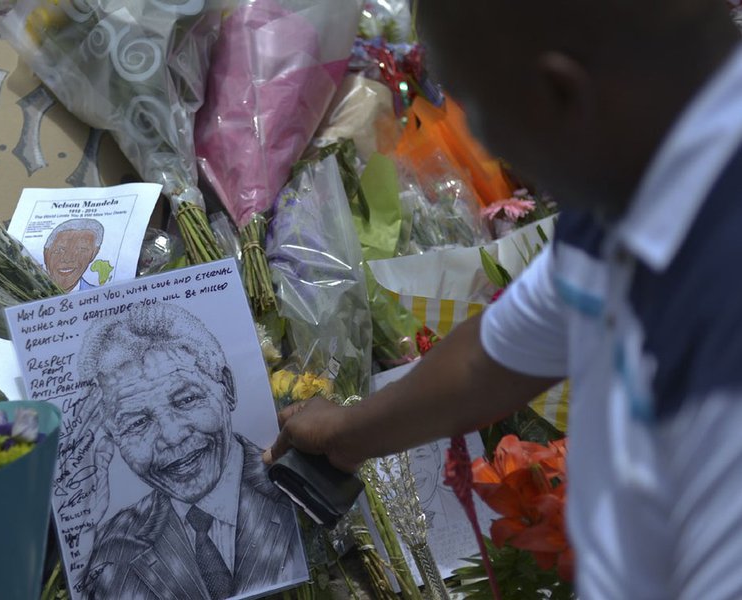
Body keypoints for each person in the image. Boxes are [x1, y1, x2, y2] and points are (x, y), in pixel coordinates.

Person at [267, 1, 742, 597]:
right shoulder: (637, 180)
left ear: (560, 93)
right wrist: (343, 435)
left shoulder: (720, 323)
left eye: (481, 112)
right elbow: (493, 356)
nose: (483, 147)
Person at [75, 302, 306, 600]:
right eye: (138, 423)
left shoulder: (296, 486)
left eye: (186, 400)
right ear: (112, 438)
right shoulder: (113, 545)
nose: (172, 436)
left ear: (226, 387)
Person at [43, 218, 104, 292]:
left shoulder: (99, 296)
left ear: (93, 254)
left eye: (81, 250)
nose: (67, 259)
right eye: (59, 250)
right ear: (46, 253)